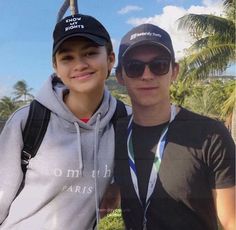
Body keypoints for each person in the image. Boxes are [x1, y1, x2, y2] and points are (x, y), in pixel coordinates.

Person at [0, 13, 128, 229]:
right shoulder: (29, 121)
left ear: (110, 59)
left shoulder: (125, 121)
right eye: (67, 58)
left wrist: (120, 188)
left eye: (90, 53)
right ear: (56, 67)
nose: (79, 64)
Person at [114, 23, 235, 230]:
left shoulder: (210, 135)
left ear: (174, 71)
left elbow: (231, 221)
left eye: (159, 65)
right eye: (134, 67)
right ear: (120, 77)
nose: (147, 75)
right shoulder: (114, 133)